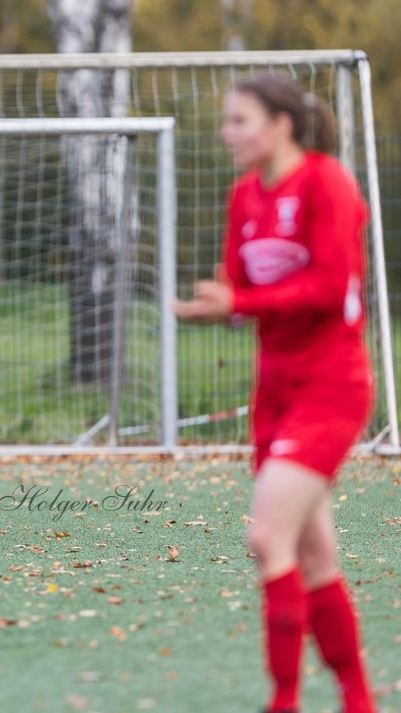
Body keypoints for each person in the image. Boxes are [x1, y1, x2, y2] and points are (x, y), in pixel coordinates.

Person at [173, 76, 376, 713]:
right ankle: (358, 700)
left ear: (281, 124)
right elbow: (241, 287)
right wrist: (219, 304)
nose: (228, 133)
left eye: (240, 120)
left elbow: (327, 286)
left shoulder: (326, 183)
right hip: (275, 392)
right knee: (315, 557)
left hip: (332, 386)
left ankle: (283, 702)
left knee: (267, 537)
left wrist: (243, 301)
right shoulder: (244, 196)